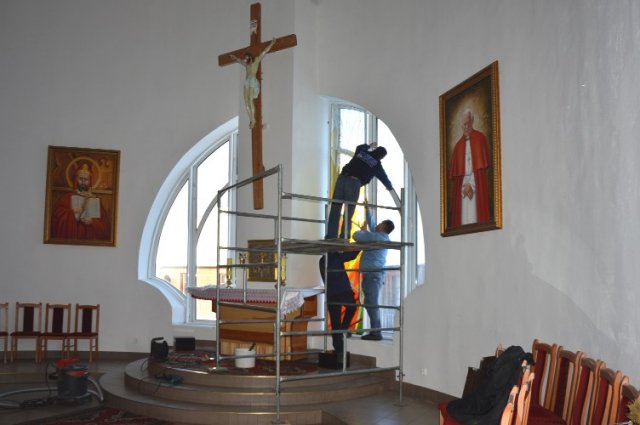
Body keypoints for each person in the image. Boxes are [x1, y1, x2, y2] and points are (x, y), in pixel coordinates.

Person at [326, 143, 400, 239]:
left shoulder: (362, 152)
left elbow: (359, 147)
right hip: (353, 183)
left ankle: (331, 236)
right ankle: (344, 237)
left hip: (342, 178)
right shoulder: (376, 165)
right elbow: (384, 179)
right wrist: (390, 188)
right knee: (348, 212)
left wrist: (369, 146)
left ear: (375, 150)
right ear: (381, 157)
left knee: (335, 208)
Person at [353, 210, 395, 341]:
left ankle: (376, 333)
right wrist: (367, 210)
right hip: (371, 276)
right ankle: (375, 332)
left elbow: (356, 236)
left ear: (383, 227)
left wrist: (362, 230)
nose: (378, 224)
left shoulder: (378, 238)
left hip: (373, 276)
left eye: (380, 223)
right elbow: (372, 225)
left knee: (372, 304)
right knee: (369, 303)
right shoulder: (380, 237)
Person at [448, 108, 491, 226]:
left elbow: (480, 171)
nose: (466, 127)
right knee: (463, 221)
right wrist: (464, 186)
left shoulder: (480, 139)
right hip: (463, 190)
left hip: (475, 187)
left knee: (475, 218)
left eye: (468, 123)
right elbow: (458, 176)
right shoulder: (458, 146)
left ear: (472, 121)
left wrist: (471, 185)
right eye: (463, 124)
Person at [51, 163, 110, 240]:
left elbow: (105, 226)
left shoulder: (94, 200)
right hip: (72, 237)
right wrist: (73, 214)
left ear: (90, 181)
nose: (83, 182)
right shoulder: (67, 198)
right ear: (76, 180)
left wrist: (92, 222)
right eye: (80, 179)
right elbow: (56, 218)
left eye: (86, 179)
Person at [319, 250, 359, 354]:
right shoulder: (335, 256)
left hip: (331, 293)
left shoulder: (322, 260)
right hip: (343, 291)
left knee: (335, 323)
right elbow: (352, 255)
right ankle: (344, 329)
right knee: (352, 307)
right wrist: (359, 246)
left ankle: (339, 350)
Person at [230, 38, 276, 129]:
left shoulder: (256, 61)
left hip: (252, 82)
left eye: (246, 57)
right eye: (245, 58)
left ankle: (253, 120)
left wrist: (271, 43)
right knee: (246, 101)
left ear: (250, 57)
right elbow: (240, 61)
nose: (245, 59)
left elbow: (264, 52)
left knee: (250, 100)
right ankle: (251, 119)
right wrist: (235, 58)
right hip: (247, 82)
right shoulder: (246, 65)